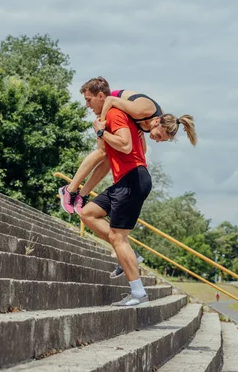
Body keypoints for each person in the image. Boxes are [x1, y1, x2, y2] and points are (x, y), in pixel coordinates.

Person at [58, 77, 197, 216]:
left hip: (123, 109)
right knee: (102, 151)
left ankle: (82, 195)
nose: (158, 140)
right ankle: (69, 189)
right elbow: (110, 101)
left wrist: (139, 135)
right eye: (159, 136)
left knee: (109, 158)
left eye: (162, 140)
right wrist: (102, 124)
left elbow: (143, 150)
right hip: (112, 101)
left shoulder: (156, 122)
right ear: (156, 122)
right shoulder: (142, 111)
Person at [78, 77, 153, 307]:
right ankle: (129, 254)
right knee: (87, 212)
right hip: (124, 181)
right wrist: (81, 191)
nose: (88, 105)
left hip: (133, 179)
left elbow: (125, 144)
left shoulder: (113, 114)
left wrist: (101, 133)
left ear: (102, 96)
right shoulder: (107, 116)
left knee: (117, 237)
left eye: (89, 100)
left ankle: (138, 293)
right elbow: (106, 161)